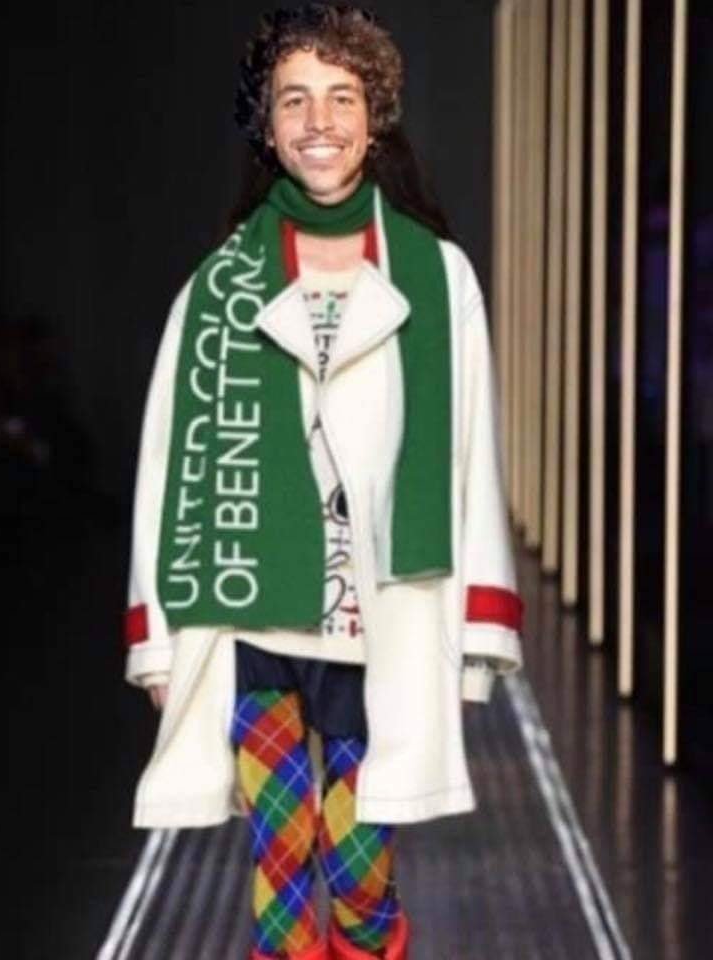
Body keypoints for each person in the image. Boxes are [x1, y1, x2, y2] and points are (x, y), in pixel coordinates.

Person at [122, 5, 524, 959]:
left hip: (377, 622)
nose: (318, 121)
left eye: (342, 97)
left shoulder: (437, 276)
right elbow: (168, 465)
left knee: (357, 874)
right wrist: (158, 643)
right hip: (251, 612)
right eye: (293, 100)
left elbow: (472, 456)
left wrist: (479, 637)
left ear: (374, 117)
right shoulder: (220, 287)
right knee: (280, 866)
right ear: (266, 127)